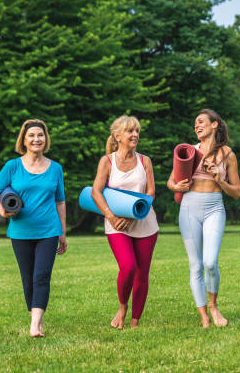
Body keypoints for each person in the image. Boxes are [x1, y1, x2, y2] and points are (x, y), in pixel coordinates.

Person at [0, 119, 67, 337]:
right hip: (20, 232)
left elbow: (60, 201)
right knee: (28, 278)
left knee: (42, 275)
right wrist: (3, 212)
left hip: (48, 231)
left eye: (40, 135)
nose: (36, 139)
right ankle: (36, 317)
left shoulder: (56, 168)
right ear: (24, 139)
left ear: (45, 139)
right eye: (31, 135)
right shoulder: (12, 166)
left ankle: (35, 324)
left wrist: (62, 232)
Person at [167, 109, 240, 327]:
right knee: (196, 265)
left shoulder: (227, 155)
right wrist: (176, 186)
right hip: (189, 207)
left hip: (214, 208)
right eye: (195, 124)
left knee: (210, 262)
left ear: (215, 124)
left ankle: (214, 306)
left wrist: (219, 178)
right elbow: (170, 182)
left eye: (201, 122)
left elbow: (236, 192)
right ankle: (204, 316)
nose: (196, 126)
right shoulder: (189, 151)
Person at [91, 116, 159, 329]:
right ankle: (122, 308)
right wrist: (111, 217)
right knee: (128, 267)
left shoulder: (144, 160)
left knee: (142, 274)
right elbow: (96, 192)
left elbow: (150, 192)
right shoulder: (107, 161)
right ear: (117, 136)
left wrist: (132, 217)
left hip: (145, 223)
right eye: (130, 131)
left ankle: (135, 321)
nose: (135, 135)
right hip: (116, 224)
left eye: (137, 131)